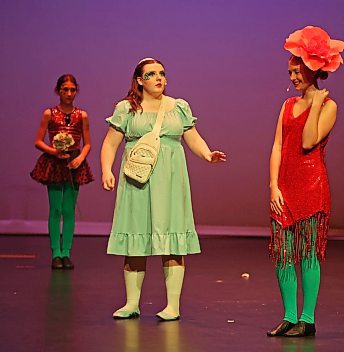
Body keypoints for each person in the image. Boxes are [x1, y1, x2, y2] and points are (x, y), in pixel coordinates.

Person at [101, 58, 226, 320]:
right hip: (138, 180)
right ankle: (131, 303)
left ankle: (172, 306)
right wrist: (106, 170)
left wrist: (207, 154)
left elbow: (192, 137)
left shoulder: (178, 107)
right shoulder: (126, 109)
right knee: (136, 236)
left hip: (170, 180)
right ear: (139, 80)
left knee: (171, 238)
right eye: (151, 74)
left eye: (161, 73)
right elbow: (110, 144)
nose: (158, 78)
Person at [267, 26, 344, 337]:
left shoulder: (329, 106)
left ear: (313, 70)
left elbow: (309, 140)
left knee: (308, 251)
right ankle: (288, 315)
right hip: (285, 183)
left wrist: (314, 104)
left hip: (312, 184)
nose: (293, 78)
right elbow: (277, 145)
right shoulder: (286, 106)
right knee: (283, 251)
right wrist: (273, 184)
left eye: (297, 72)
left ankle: (308, 319)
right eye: (290, 72)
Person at [30, 74, 94, 270]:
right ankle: (55, 253)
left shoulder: (82, 115)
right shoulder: (49, 113)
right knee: (55, 209)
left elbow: (87, 143)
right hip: (55, 163)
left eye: (72, 90)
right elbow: (38, 141)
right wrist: (54, 152)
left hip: (74, 163)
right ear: (58, 91)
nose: (68, 93)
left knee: (68, 210)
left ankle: (66, 252)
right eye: (65, 89)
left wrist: (80, 158)